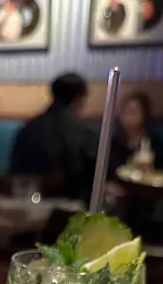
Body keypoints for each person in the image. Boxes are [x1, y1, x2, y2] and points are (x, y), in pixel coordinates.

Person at [9, 73, 98, 201]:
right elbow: (95, 179)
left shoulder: (28, 128)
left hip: (27, 203)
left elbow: (14, 174)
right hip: (74, 207)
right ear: (79, 99)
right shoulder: (86, 133)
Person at [110, 91, 163, 172]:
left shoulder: (154, 143)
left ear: (144, 115)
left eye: (133, 112)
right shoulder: (115, 142)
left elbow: (162, 171)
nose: (128, 117)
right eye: (125, 112)